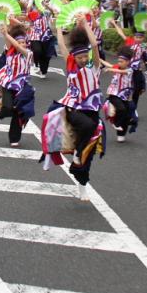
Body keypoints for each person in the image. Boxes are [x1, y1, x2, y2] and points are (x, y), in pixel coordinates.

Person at [41, 18, 104, 202]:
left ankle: (81, 183)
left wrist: (85, 26)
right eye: (79, 57)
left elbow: (93, 44)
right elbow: (61, 44)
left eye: (85, 56)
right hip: (72, 108)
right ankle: (77, 152)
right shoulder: (71, 68)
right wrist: (59, 28)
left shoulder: (94, 67)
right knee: (86, 125)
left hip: (92, 110)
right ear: (73, 58)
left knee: (88, 156)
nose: (83, 59)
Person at [0, 23, 35, 147]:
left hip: (23, 88)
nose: (22, 44)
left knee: (19, 112)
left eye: (24, 42)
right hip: (8, 84)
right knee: (8, 107)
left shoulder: (28, 54)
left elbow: (20, 48)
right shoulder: (10, 53)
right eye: (20, 42)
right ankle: (0, 116)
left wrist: (9, 35)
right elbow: (10, 44)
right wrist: (5, 34)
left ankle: (14, 138)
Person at [101, 46, 136, 142]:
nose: (119, 63)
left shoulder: (130, 70)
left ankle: (121, 134)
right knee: (121, 109)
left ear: (128, 62)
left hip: (125, 95)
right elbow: (108, 64)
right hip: (114, 93)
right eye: (118, 61)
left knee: (127, 115)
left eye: (121, 62)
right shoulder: (117, 67)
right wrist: (99, 59)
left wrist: (110, 69)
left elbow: (121, 71)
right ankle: (115, 122)